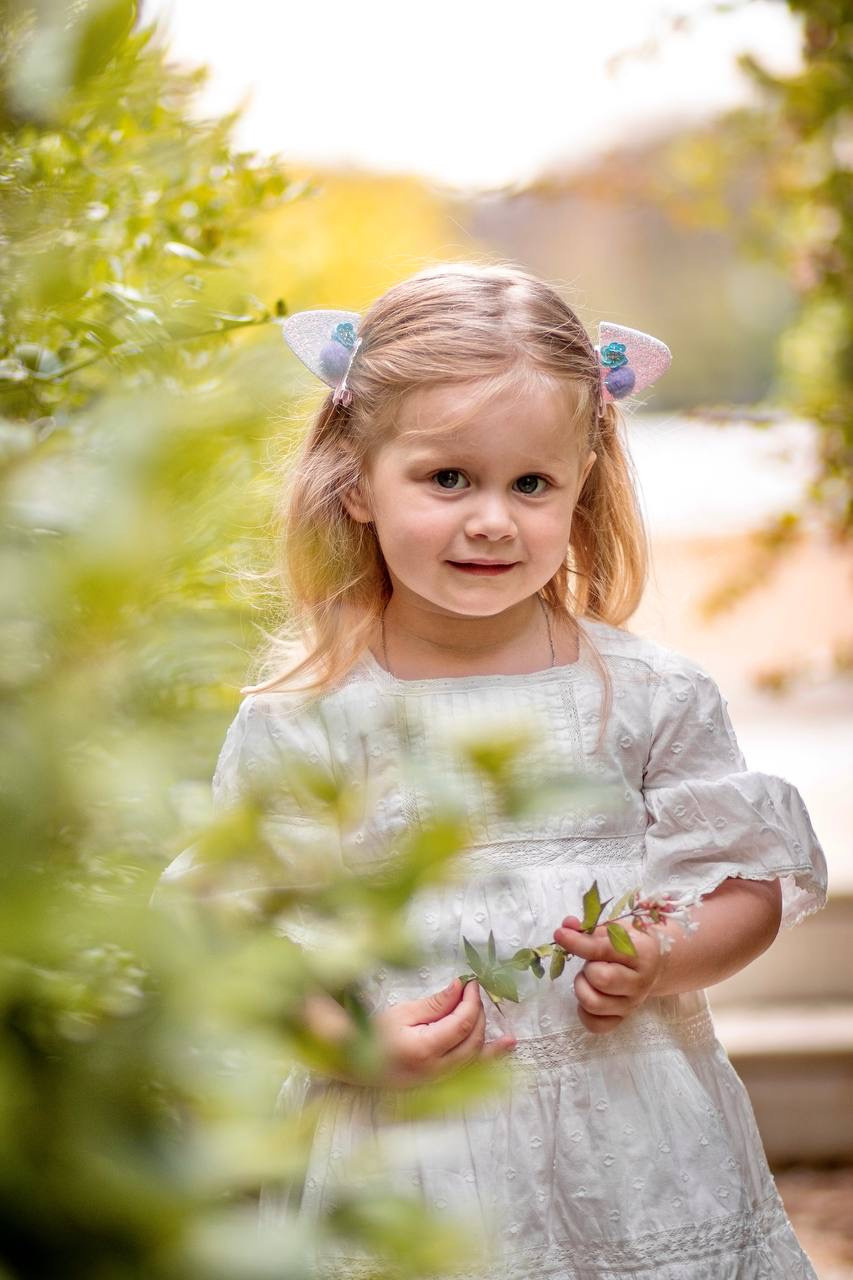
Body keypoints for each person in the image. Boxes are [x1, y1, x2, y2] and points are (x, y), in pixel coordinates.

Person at [159, 262, 827, 1278]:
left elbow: (745, 884)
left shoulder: (644, 692)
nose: (491, 518)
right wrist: (349, 1039)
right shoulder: (310, 716)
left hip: (630, 1139)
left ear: (580, 486)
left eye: (531, 483)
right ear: (357, 481)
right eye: (448, 478)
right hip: (410, 1152)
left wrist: (663, 954)